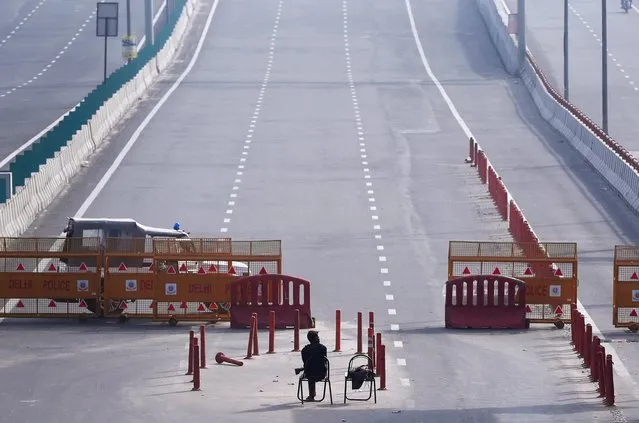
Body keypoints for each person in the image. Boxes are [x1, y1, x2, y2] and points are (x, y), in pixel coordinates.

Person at [300, 330, 327, 401]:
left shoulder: (305, 350)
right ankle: (312, 395)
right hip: (322, 374)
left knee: (310, 371)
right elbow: (324, 361)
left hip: (309, 374)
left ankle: (311, 395)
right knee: (313, 370)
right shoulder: (323, 348)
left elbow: (305, 362)